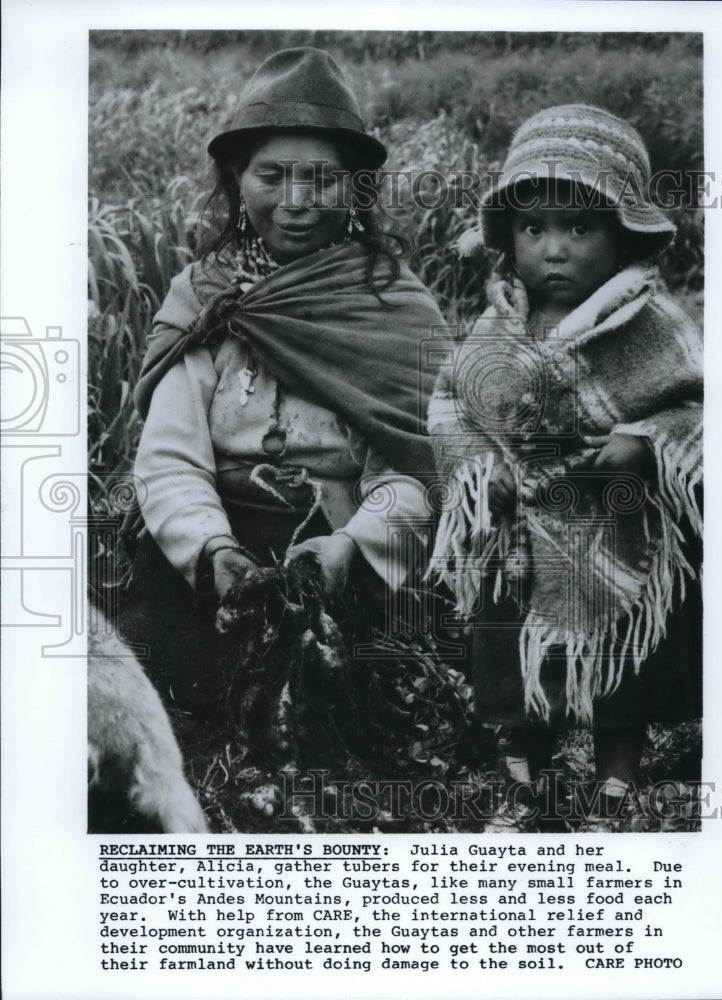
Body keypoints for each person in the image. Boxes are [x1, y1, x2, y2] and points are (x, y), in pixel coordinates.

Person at [119, 48, 444, 719]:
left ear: (353, 187)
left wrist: (352, 546)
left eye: (321, 179)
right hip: (207, 559)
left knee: (351, 711)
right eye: (272, 175)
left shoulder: (391, 308)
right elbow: (170, 456)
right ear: (237, 179)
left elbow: (417, 468)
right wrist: (212, 551)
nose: (296, 203)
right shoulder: (206, 299)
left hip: (346, 556)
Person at [428, 105, 702, 818]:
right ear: (508, 239)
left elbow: (698, 406)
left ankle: (617, 774)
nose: (553, 249)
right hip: (519, 530)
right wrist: (484, 472)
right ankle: (527, 770)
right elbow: (455, 403)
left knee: (622, 665)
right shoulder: (498, 326)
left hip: (618, 525)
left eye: (580, 228)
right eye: (533, 228)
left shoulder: (651, 324)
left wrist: (644, 441)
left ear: (623, 234)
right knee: (515, 655)